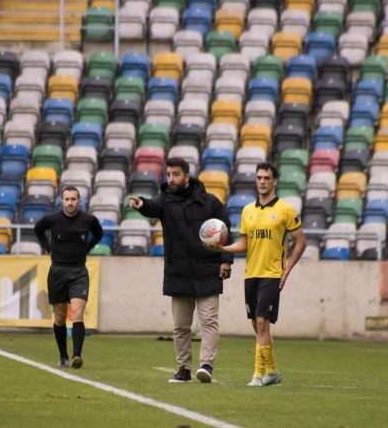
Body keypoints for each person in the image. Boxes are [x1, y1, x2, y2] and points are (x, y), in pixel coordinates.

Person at [128, 157, 233, 384]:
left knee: (209, 322)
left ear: (186, 176)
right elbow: (153, 206)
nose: (171, 179)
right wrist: (142, 204)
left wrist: (226, 261)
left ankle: (206, 365)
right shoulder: (165, 200)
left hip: (207, 269)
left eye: (175, 174)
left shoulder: (210, 203)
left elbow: (226, 232)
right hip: (179, 271)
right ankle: (183, 369)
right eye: (169, 174)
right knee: (180, 326)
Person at [212, 163, 306, 387]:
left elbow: (301, 242)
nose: (262, 182)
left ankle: (257, 375)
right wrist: (223, 249)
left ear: (274, 181)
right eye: (259, 178)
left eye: (266, 178)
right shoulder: (247, 211)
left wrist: (287, 269)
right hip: (251, 274)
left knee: (262, 322)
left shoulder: (285, 210)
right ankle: (272, 371)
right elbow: (245, 242)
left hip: (272, 274)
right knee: (258, 326)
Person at [34, 186, 103, 369]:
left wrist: (87, 247)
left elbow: (99, 233)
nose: (70, 202)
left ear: (79, 201)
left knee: (78, 313)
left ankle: (77, 355)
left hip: (79, 272)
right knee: (60, 316)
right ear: (62, 201)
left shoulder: (88, 220)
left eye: (74, 199)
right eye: (67, 199)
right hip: (57, 272)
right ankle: (63, 355)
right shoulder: (52, 220)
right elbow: (38, 229)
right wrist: (47, 246)